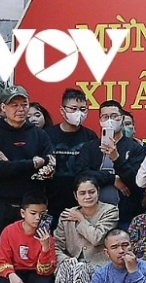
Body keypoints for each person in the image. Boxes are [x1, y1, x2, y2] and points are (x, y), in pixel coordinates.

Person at [0, 86, 54, 283]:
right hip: (2, 205)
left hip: (34, 207)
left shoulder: (39, 135)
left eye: (24, 104)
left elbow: (49, 169)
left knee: (38, 259)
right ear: (3, 108)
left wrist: (14, 164)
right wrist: (31, 163)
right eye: (15, 105)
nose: (20, 109)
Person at [51, 175, 119, 283]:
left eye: (91, 192)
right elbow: (56, 246)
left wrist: (81, 219)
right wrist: (65, 258)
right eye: (82, 193)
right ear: (75, 196)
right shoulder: (67, 215)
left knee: (81, 268)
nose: (87, 196)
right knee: (66, 265)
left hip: (100, 265)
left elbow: (97, 238)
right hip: (73, 264)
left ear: (98, 192)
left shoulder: (110, 211)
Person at [76, 100, 146, 228]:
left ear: (122, 119)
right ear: (100, 120)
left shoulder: (136, 148)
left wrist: (117, 158)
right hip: (93, 216)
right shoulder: (89, 147)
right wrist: (112, 179)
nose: (110, 120)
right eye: (105, 117)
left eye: (114, 116)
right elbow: (82, 175)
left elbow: (137, 181)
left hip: (125, 216)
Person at [44, 89, 98, 226]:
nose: (78, 113)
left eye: (82, 109)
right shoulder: (47, 135)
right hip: (52, 199)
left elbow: (94, 169)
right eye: (73, 109)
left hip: (81, 201)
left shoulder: (90, 136)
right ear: (62, 111)